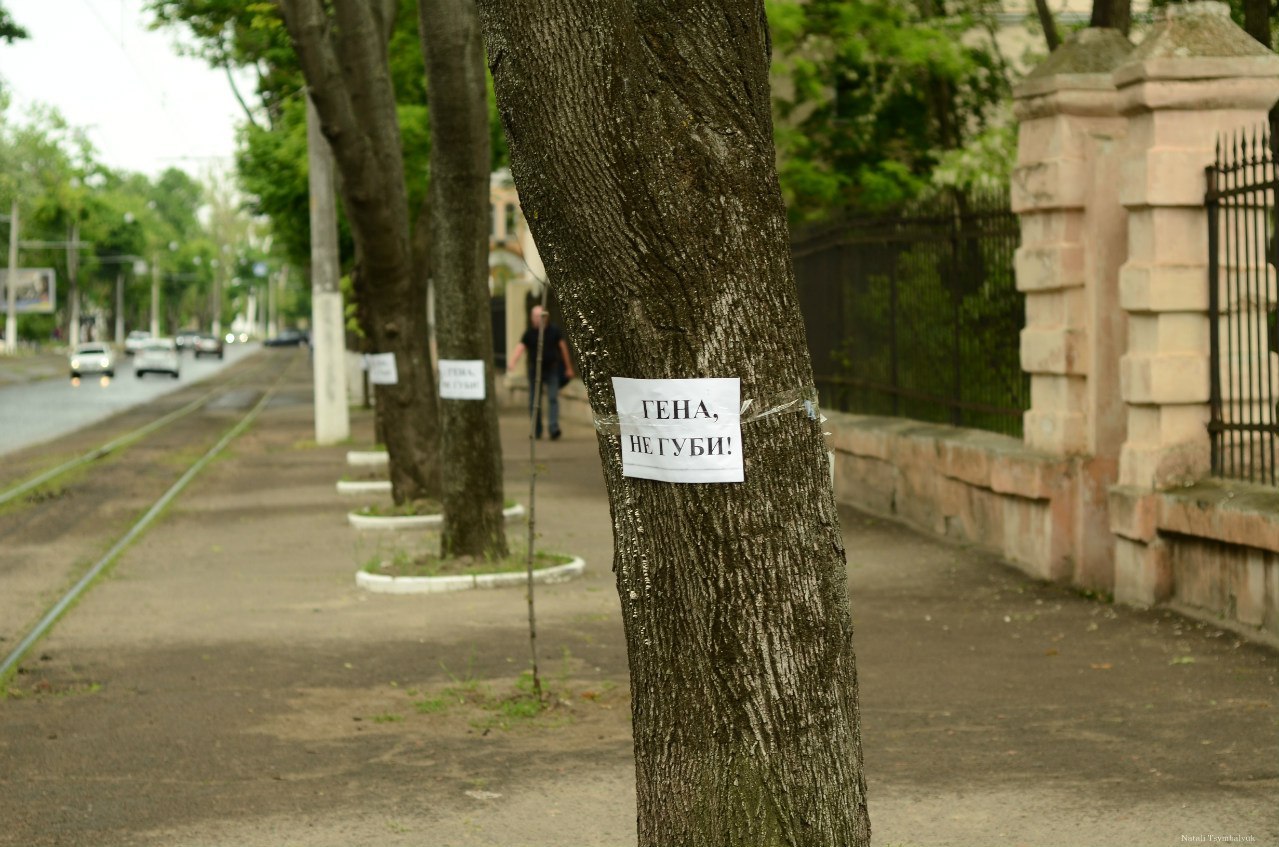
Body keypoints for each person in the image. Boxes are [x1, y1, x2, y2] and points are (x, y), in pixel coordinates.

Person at [508, 305, 575, 439]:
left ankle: (553, 428)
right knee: (534, 401)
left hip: (552, 369)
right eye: (537, 316)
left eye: (542, 316)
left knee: (552, 398)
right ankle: (536, 429)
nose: (540, 319)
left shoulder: (554, 330)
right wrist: (513, 362)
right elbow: (520, 348)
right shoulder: (529, 333)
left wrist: (568, 367)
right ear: (532, 318)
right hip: (535, 371)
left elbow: (563, 348)